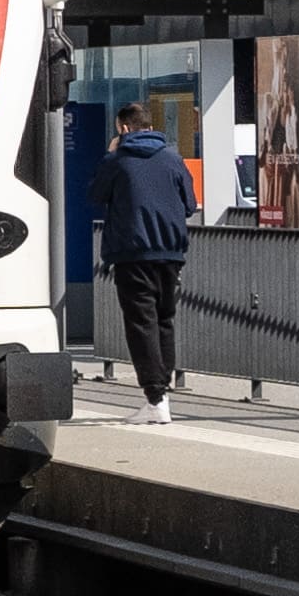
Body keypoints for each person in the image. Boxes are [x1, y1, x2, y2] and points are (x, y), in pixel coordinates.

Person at [92, 101, 199, 423]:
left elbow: (95, 195)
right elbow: (190, 204)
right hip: (171, 253)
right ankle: (161, 395)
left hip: (132, 253)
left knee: (141, 324)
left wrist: (110, 154)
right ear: (150, 127)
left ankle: (155, 399)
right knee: (164, 320)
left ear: (124, 128)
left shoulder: (117, 160)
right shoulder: (173, 158)